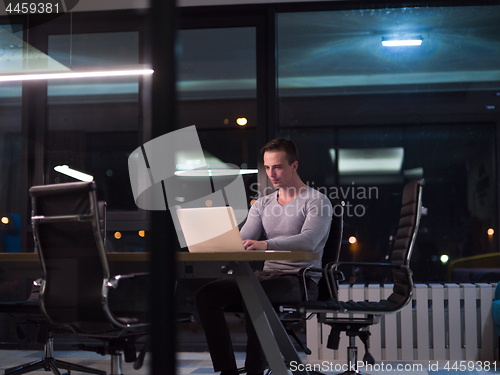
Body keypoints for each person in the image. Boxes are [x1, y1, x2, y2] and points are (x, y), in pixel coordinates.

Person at [195, 138, 333, 375]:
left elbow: (309, 240)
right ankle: (227, 371)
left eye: (277, 166)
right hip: (265, 276)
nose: (272, 173)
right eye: (268, 167)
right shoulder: (262, 204)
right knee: (206, 295)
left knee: (255, 298)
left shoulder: (316, 201)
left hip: (300, 279)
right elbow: (243, 240)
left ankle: (254, 371)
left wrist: (265, 244)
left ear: (294, 166)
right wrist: (217, 241)